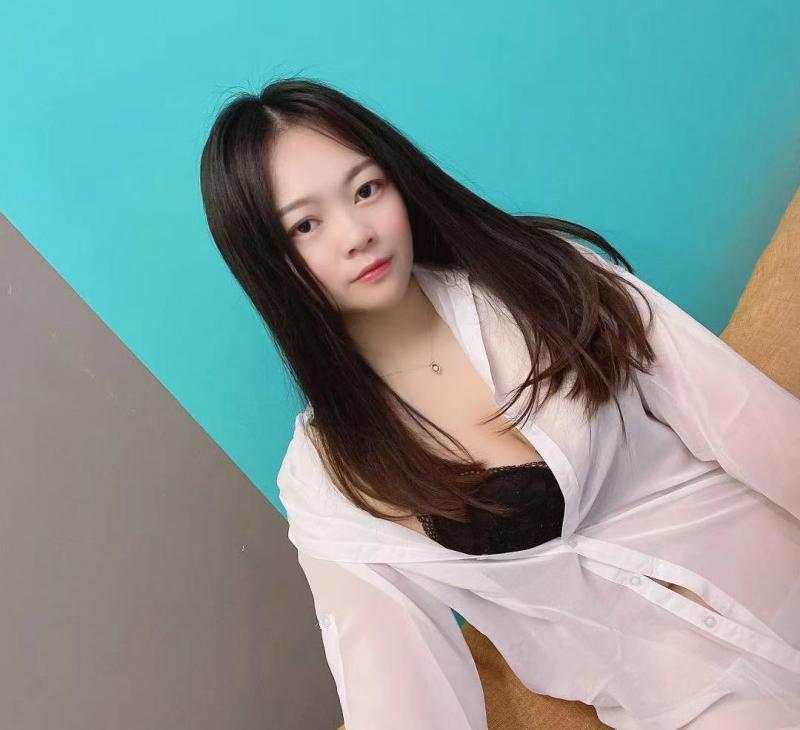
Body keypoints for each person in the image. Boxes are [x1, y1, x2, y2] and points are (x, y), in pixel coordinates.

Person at [199, 76, 800, 729]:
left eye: (366, 190)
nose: (356, 234)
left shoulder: (537, 277)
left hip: (777, 566)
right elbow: (397, 696)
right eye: (306, 225)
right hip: (691, 696)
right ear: (266, 261)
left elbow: (741, 415)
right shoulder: (327, 482)